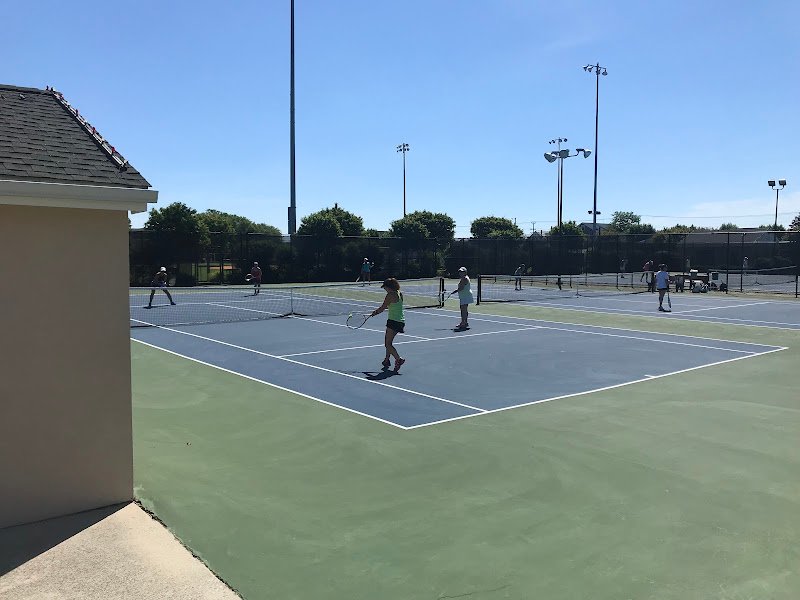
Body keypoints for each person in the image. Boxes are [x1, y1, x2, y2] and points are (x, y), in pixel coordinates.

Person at [369, 278, 405, 372]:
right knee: (389, 343)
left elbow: (382, 308)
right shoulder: (399, 293)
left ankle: (398, 359)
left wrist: (375, 313)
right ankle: (386, 360)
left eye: (385, 288)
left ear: (389, 287)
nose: (385, 289)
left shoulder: (390, 295)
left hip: (393, 321)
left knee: (387, 344)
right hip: (400, 321)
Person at [453, 266, 474, 331]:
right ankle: (464, 322)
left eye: (462, 272)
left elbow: (461, 288)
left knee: (463, 310)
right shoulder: (463, 278)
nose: (460, 273)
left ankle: (463, 323)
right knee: (464, 309)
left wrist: (455, 291)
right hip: (465, 296)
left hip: (465, 296)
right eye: (460, 272)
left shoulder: (465, 279)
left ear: (465, 272)